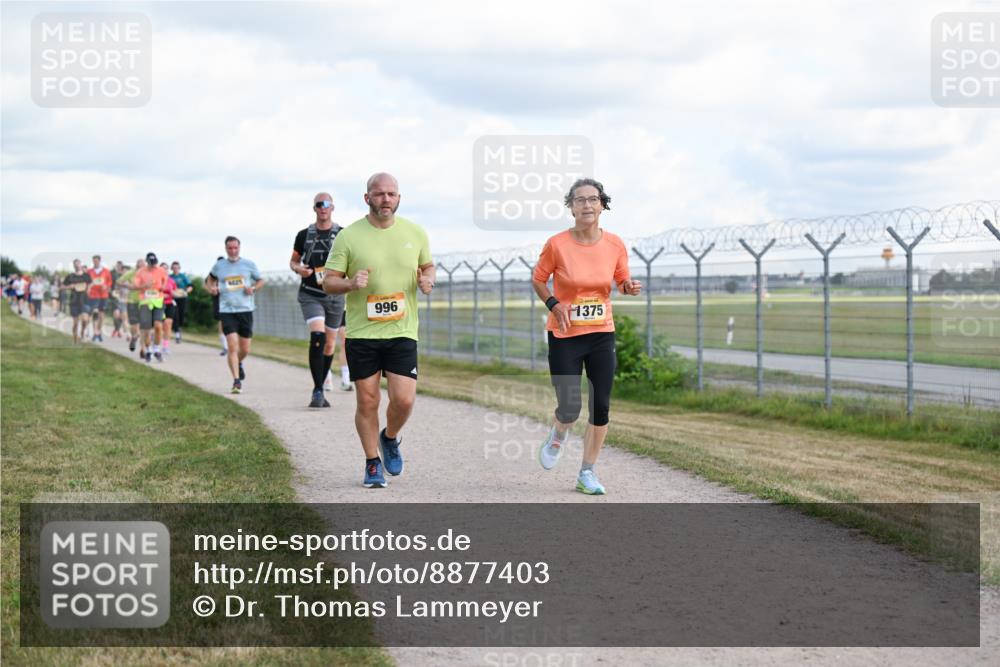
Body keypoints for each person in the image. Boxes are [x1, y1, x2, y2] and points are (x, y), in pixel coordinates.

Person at [531, 178, 642, 496]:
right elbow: (538, 280)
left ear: (603, 205)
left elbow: (621, 279)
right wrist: (554, 304)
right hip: (564, 334)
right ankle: (558, 433)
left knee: (601, 406)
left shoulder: (615, 244)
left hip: (601, 334)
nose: (587, 205)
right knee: (569, 406)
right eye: (579, 200)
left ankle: (587, 472)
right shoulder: (557, 244)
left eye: (593, 199)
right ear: (571, 207)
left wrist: (629, 287)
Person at [324, 172, 434, 488]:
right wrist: (348, 283)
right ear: (367, 198)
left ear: (398, 198)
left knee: (404, 400)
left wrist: (429, 280)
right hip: (362, 333)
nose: (386, 199)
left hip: (402, 331)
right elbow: (328, 281)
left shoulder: (415, 232)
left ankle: (390, 436)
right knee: (368, 401)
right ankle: (372, 463)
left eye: (391, 194)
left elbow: (428, 266)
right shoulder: (348, 237)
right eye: (379, 193)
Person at [290, 192, 346, 408]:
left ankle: (321, 386)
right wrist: (298, 269)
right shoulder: (303, 235)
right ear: (314, 208)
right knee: (317, 335)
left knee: (330, 344)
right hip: (310, 293)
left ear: (333, 207)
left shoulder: (342, 234)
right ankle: (317, 390)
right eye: (319, 205)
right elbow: (293, 261)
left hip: (335, 295)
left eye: (327, 204)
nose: (323, 208)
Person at [206, 237, 264, 394]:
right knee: (232, 346)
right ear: (225, 249)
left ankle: (238, 363)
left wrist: (253, 288)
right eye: (230, 248)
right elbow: (209, 280)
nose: (232, 251)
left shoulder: (248, 264)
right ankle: (236, 381)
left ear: (240, 247)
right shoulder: (219, 266)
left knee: (245, 349)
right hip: (227, 310)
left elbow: (261, 280)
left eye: (235, 248)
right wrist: (211, 288)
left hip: (245, 309)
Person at [133, 252, 169, 362]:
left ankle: (157, 350)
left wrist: (163, 286)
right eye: (151, 263)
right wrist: (145, 285)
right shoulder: (140, 272)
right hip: (145, 301)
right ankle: (148, 351)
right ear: (147, 262)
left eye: (154, 263)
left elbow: (165, 280)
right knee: (147, 329)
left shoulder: (161, 270)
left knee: (158, 325)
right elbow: (136, 286)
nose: (153, 265)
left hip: (158, 300)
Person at [60, 261, 92, 343]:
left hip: (84, 300)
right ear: (74, 266)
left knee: (85, 319)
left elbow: (91, 284)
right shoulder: (70, 276)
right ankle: (75, 338)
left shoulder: (86, 275)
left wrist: (88, 288)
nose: (77, 266)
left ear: (81, 265)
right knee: (75, 323)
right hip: (74, 301)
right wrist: (68, 287)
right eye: (75, 265)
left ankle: (82, 332)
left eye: (78, 264)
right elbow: (61, 287)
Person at [118, 259, 144, 353]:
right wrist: (128, 285)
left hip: (145, 301)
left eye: (142, 266)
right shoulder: (131, 272)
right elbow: (119, 281)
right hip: (132, 301)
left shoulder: (148, 273)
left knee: (144, 325)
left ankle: (143, 349)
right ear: (136, 266)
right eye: (139, 265)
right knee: (134, 325)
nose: (141, 267)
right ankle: (134, 337)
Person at [86, 255, 113, 342]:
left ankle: (99, 331)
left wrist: (106, 287)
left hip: (103, 295)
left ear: (99, 261)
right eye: (93, 261)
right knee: (95, 312)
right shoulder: (89, 271)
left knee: (101, 315)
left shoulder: (106, 271)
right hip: (93, 295)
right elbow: (86, 282)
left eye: (96, 261)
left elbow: (110, 282)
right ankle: (95, 332)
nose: (95, 262)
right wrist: (88, 287)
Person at [207, 257, 227, 356]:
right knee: (222, 323)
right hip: (218, 302)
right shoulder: (213, 275)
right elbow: (207, 286)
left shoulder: (230, 273)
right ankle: (225, 347)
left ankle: (231, 346)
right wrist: (212, 289)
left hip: (231, 302)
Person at [170, 261, 193, 343]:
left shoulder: (183, 276)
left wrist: (186, 292)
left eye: (177, 268)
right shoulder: (170, 277)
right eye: (174, 268)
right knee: (175, 314)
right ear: (172, 268)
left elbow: (190, 286)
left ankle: (178, 327)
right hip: (173, 298)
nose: (176, 269)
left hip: (182, 298)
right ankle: (177, 333)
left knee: (182, 314)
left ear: (179, 268)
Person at [159, 262, 179, 355]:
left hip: (170, 303)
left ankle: (165, 347)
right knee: (159, 326)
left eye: (166, 268)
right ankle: (155, 343)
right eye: (162, 268)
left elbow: (175, 292)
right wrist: (162, 295)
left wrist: (178, 293)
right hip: (158, 304)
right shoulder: (156, 280)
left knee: (168, 323)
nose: (165, 270)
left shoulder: (171, 281)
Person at [110, 260, 126, 338]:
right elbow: (109, 284)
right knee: (116, 315)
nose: (119, 267)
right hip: (115, 296)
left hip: (124, 298)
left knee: (121, 316)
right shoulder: (112, 273)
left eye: (120, 266)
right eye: (118, 265)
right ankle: (117, 330)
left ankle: (117, 330)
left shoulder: (126, 276)